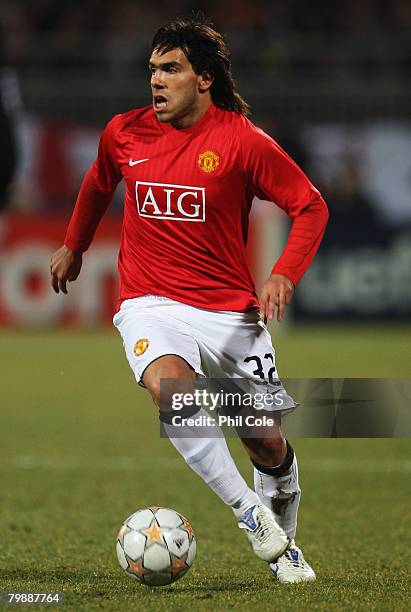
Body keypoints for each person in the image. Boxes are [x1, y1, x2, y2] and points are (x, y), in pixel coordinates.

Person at [50, 17, 328, 583]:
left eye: (170, 69)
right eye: (152, 69)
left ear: (203, 79)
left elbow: (310, 205)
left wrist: (283, 274)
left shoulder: (243, 141)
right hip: (150, 303)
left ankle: (285, 546)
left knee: (267, 446)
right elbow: (99, 184)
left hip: (229, 313)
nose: (156, 80)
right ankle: (250, 515)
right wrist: (74, 246)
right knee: (172, 390)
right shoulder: (124, 132)